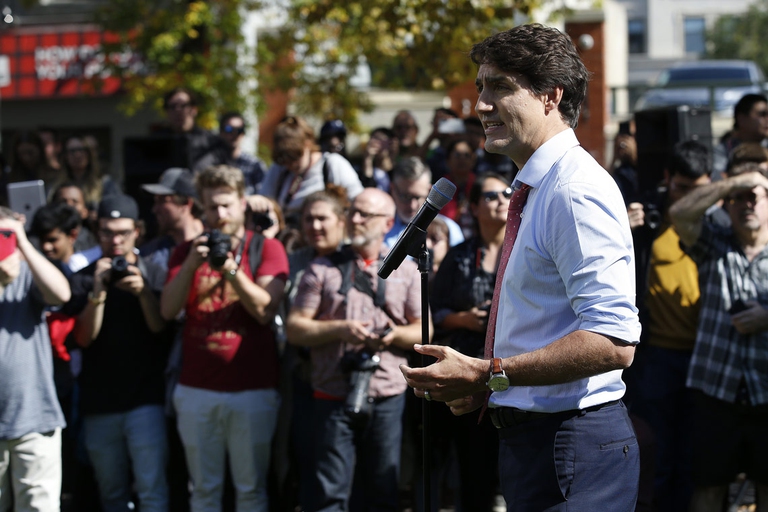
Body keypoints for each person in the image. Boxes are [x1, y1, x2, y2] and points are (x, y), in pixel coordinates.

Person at [400, 24, 641, 511]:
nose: (482, 105)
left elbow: (614, 342)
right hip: (539, 443)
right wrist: (490, 385)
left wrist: (489, 373)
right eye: (481, 88)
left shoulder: (573, 189)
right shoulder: (539, 185)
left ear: (551, 96)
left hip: (571, 443)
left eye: (501, 87)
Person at [286, 188, 423, 512]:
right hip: (332, 392)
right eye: (352, 212)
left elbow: (421, 330)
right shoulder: (322, 268)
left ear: (388, 222)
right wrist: (340, 329)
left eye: (366, 214)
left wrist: (390, 335)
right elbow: (295, 328)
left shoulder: (407, 269)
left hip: (387, 392)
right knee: (329, 492)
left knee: (382, 489)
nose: (355, 219)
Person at [161, 164, 289, 512]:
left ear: (243, 203)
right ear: (201, 207)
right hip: (196, 389)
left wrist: (230, 268)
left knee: (250, 491)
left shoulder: (266, 248)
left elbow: (264, 309)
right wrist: (190, 264)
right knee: (203, 492)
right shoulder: (186, 251)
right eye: (212, 206)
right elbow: (168, 311)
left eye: (227, 205)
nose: (220, 214)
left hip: (252, 389)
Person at [627, 140, 728, 512]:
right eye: (682, 189)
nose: (689, 198)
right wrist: (624, 227)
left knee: (696, 459)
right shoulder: (646, 222)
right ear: (667, 179)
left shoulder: (719, 225)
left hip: (707, 358)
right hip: (656, 357)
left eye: (698, 190)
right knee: (660, 456)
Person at [669, 162, 768, 512]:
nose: (747, 205)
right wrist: (737, 182)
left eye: (755, 197)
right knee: (708, 488)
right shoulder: (715, 243)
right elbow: (680, 212)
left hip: (765, 393)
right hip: (716, 391)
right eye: (738, 199)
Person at [66, 194, 170, 512]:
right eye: (108, 231)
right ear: (98, 232)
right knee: (111, 495)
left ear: (137, 231)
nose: (116, 240)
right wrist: (98, 292)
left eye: (123, 232)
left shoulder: (153, 272)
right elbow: (83, 339)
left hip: (146, 399)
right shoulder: (83, 277)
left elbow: (159, 329)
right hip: (100, 404)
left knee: (152, 492)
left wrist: (143, 295)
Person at [427, 172, 511, 511]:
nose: (501, 200)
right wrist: (462, 319)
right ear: (473, 207)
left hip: (513, 374)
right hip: (467, 373)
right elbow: (434, 310)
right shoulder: (460, 256)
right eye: (490, 196)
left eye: (506, 193)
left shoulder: (523, 250)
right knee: (472, 469)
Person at [0, 206, 70, 512]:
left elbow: (61, 294)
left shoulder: (29, 270)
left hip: (34, 418)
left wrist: (24, 245)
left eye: (5, 236)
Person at [255, 116, 363, 225]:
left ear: (307, 144)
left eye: (294, 157)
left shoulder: (332, 164)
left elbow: (360, 202)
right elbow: (264, 199)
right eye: (284, 159)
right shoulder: (280, 169)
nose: (290, 164)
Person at [384, 156, 464, 250]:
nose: (412, 205)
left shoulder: (450, 230)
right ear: (392, 189)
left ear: (430, 192)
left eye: (418, 197)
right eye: (405, 197)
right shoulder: (377, 226)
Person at [139, 167, 205, 272]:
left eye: (162, 201)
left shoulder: (213, 246)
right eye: (155, 201)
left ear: (186, 204)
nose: (154, 209)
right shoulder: (149, 255)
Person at [712, 93, 768, 180]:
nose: (767, 119)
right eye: (762, 114)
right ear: (741, 118)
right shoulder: (724, 150)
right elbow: (716, 179)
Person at [218, 111, 268, 195]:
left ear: (243, 134)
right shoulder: (210, 162)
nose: (234, 134)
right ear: (220, 132)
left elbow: (264, 195)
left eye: (239, 130)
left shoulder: (254, 165)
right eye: (229, 129)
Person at [439, 138, 479, 238]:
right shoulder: (441, 186)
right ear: (448, 160)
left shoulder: (479, 185)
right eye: (457, 155)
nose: (462, 159)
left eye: (466, 155)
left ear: (473, 160)